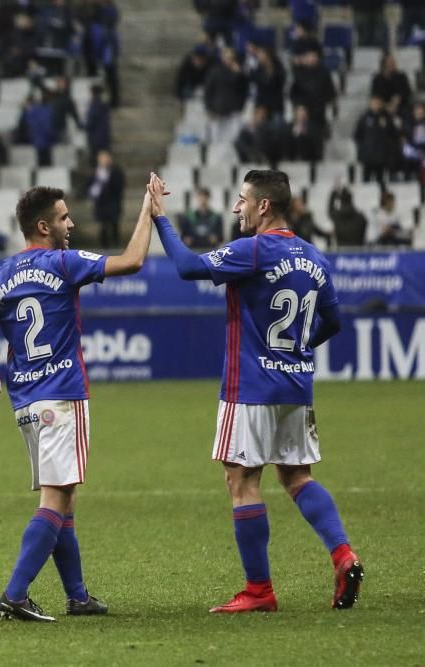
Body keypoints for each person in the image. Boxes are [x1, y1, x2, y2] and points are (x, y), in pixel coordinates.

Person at [150, 169, 363, 614]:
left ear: (264, 205)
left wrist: (159, 218)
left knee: (241, 480)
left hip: (249, 386)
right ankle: (343, 554)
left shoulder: (253, 251)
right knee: (297, 476)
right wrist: (298, 351)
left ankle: (259, 590)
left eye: (242, 199)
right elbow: (335, 322)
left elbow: (189, 267)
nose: (236, 207)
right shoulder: (313, 257)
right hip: (296, 385)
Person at [0, 179, 155, 621]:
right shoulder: (63, 263)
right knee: (55, 498)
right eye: (64, 218)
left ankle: (78, 596)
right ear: (44, 226)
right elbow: (134, 260)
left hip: (25, 402)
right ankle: (15, 594)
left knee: (63, 499)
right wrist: (149, 211)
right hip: (63, 397)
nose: (71, 224)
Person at [87, 149, 125, 248]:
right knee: (103, 225)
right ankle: (104, 246)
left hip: (112, 202)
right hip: (100, 203)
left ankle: (116, 244)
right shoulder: (96, 172)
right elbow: (90, 185)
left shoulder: (116, 171)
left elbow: (119, 186)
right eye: (100, 158)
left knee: (114, 224)